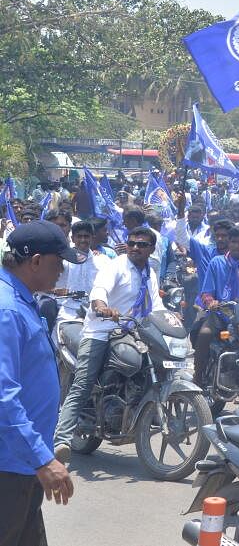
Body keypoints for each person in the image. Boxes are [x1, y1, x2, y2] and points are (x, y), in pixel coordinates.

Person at [0, 221, 82, 544]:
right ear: (35, 261)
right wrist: (42, 458)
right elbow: (3, 397)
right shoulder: (6, 310)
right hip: (9, 469)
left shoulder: (23, 299)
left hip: (23, 464)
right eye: (58, 261)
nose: (62, 270)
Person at [54, 226, 163, 461]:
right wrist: (102, 307)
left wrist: (170, 318)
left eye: (141, 244)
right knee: (83, 384)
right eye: (132, 242)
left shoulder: (149, 273)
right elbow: (99, 291)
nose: (135, 247)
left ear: (151, 249)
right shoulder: (115, 267)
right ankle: (61, 439)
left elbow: (156, 305)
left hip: (132, 330)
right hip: (101, 331)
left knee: (155, 363)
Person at [193, 224, 239, 382]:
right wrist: (211, 302)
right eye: (234, 242)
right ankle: (197, 375)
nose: (237, 246)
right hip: (222, 313)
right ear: (229, 243)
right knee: (204, 333)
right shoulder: (216, 263)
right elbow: (206, 291)